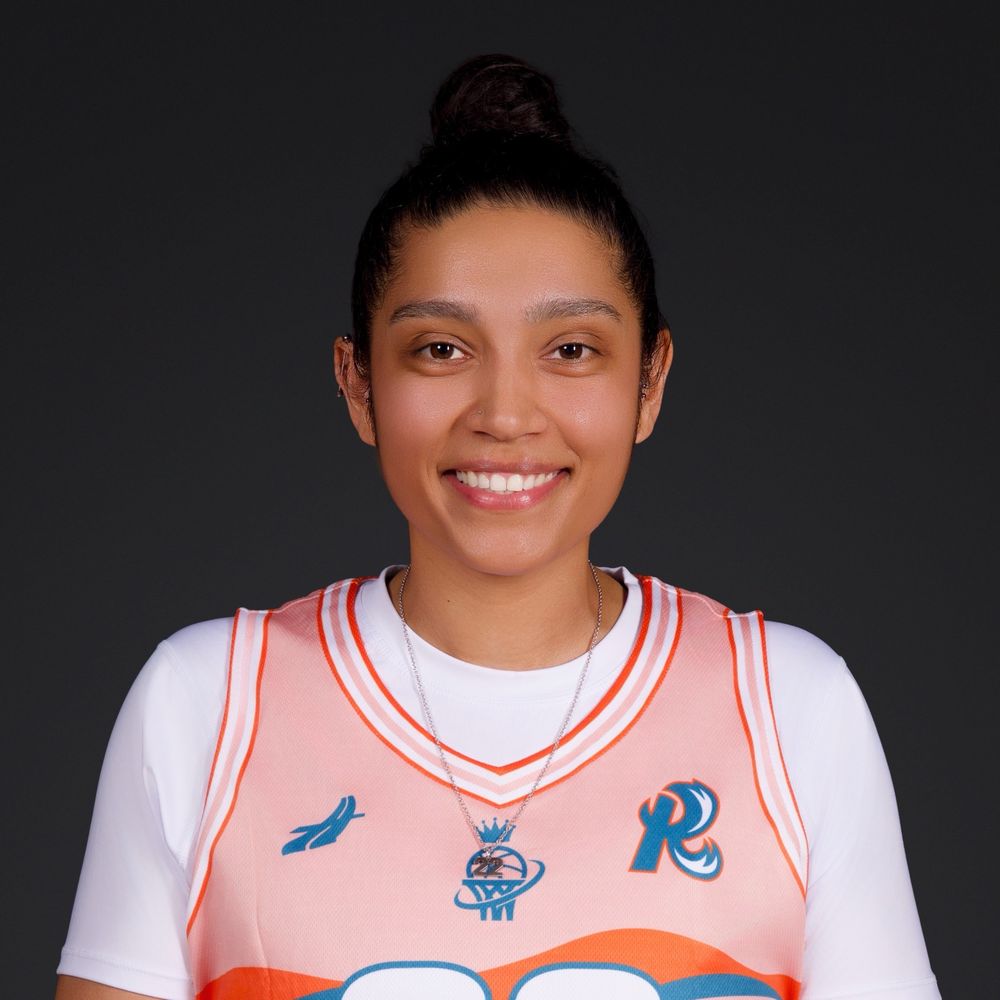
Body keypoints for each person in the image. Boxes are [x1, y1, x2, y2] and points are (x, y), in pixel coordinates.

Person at [56, 54, 939, 1000]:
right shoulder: (207, 705)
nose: (506, 414)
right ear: (358, 384)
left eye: (572, 349)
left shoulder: (790, 708)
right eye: (441, 348)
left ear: (650, 381)